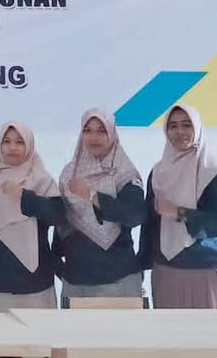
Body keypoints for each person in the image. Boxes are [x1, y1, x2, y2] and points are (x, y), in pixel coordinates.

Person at [142, 104, 217, 309]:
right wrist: (140, 266)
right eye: (173, 126)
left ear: (197, 128)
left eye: (187, 125)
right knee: (169, 330)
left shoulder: (215, 172)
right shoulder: (158, 173)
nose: (179, 131)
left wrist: (179, 212)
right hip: (166, 270)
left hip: (207, 269)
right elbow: (149, 224)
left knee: (211, 329)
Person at [0, 121, 65, 312]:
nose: (12, 147)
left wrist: (24, 195)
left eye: (19, 142)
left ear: (29, 145)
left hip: (35, 283)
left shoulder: (42, 180)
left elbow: (57, 216)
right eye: (6, 141)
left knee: (38, 331)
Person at [56, 107, 146, 306]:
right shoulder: (70, 172)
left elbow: (134, 215)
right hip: (75, 280)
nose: (94, 137)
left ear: (112, 134)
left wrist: (92, 195)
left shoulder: (125, 174)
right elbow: (63, 222)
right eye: (88, 131)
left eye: (101, 131)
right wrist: (58, 264)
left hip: (117, 279)